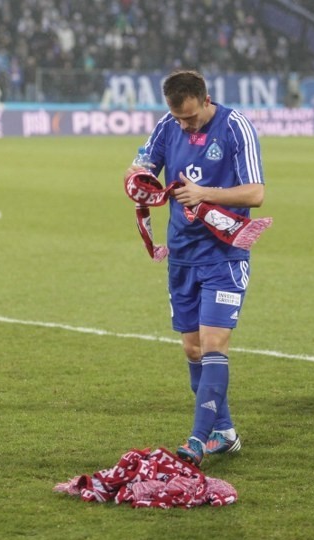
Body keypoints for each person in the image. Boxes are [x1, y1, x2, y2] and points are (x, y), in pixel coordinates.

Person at [125, 69, 266, 467]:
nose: (185, 125)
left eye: (190, 117)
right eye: (179, 118)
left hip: (224, 254)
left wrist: (205, 193)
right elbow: (138, 167)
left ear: (206, 100)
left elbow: (256, 193)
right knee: (192, 348)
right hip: (183, 256)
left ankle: (197, 440)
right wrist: (138, 181)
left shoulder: (236, 126)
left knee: (215, 343)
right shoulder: (168, 126)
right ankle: (225, 432)